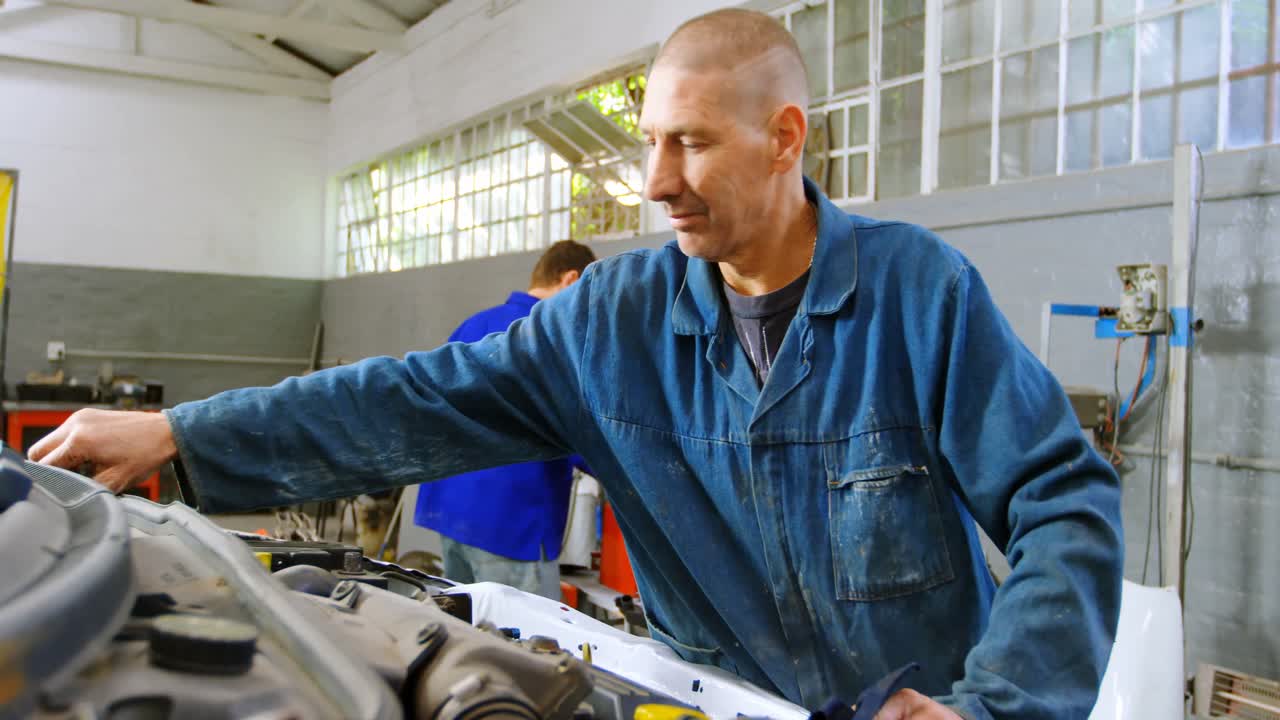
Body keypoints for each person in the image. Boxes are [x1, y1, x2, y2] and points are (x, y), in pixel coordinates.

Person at [31, 9, 1123, 719]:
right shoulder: (609, 324)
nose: (654, 182)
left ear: (784, 137)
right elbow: (413, 397)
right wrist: (184, 434)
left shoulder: (913, 294)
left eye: (689, 143)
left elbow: (1062, 498)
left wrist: (1001, 707)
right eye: (646, 142)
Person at [417, 240, 596, 600]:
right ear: (571, 280)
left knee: (468, 637)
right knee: (530, 648)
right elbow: (576, 431)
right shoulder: (554, 337)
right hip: (512, 525)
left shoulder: (474, 324)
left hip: (452, 513)